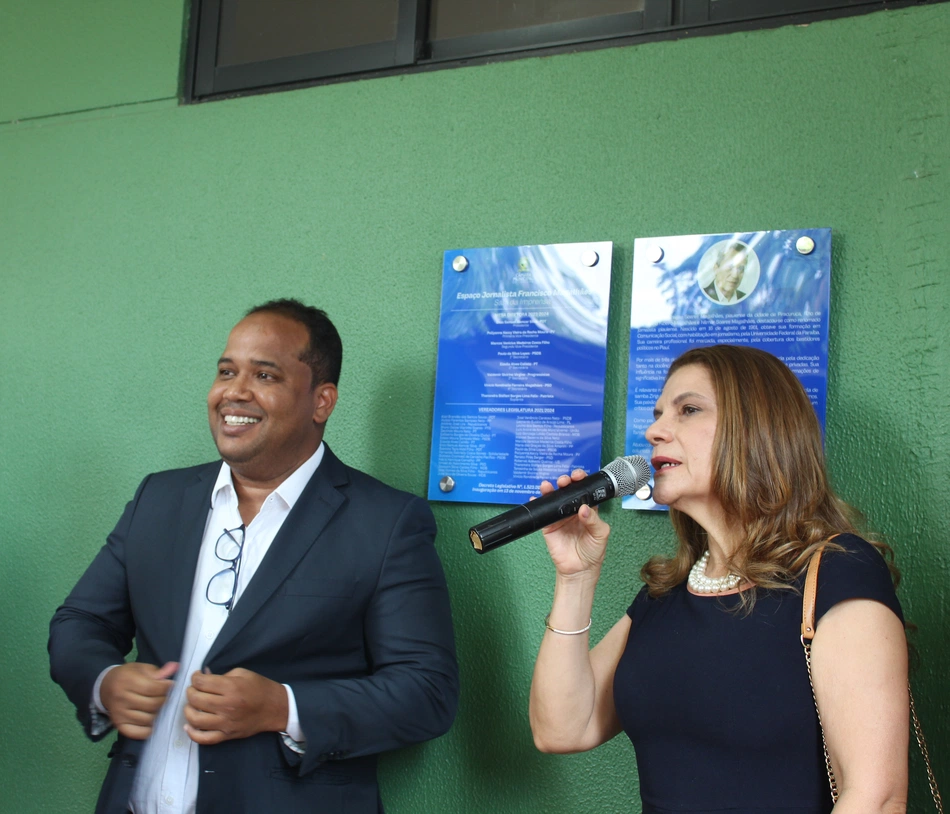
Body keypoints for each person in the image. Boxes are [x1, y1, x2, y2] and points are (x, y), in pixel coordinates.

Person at [49, 298, 458, 814]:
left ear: (321, 401)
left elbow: (427, 693)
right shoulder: (160, 498)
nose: (234, 392)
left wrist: (282, 707)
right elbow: (79, 621)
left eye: (264, 374)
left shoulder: (386, 523)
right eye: (226, 371)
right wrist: (106, 681)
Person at [529, 345, 908, 814]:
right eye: (658, 414)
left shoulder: (839, 572)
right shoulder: (665, 595)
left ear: (757, 431)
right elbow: (562, 728)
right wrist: (575, 578)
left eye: (688, 410)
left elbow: (876, 797)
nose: (653, 431)